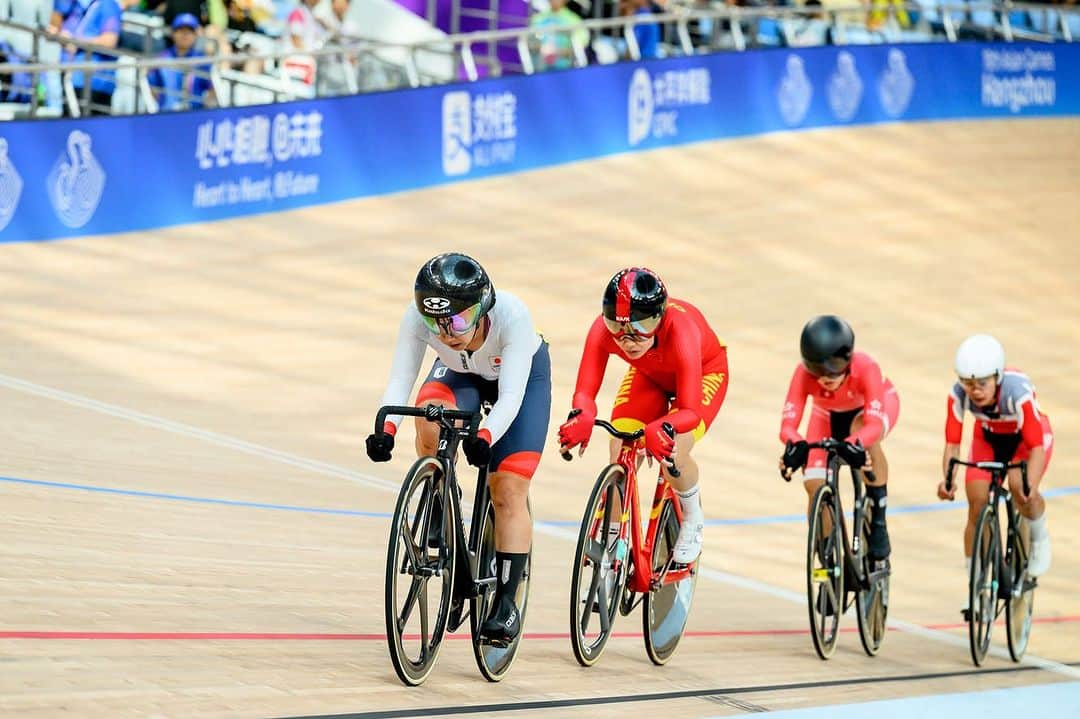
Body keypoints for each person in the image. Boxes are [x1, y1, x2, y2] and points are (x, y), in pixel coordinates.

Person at [365, 253, 551, 645]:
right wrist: (386, 428)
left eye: (460, 321)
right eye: (437, 323)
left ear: (483, 308)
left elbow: (512, 397)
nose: (448, 333)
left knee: (508, 489)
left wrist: (485, 436)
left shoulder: (513, 317)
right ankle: (439, 495)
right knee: (429, 416)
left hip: (520, 382)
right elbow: (401, 379)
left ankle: (505, 602)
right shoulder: (417, 319)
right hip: (461, 374)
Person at [558, 267, 729, 565]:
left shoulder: (681, 329)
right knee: (620, 451)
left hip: (703, 373)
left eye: (641, 328)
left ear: (660, 317)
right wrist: (581, 416)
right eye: (618, 329)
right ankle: (611, 552)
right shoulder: (602, 330)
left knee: (674, 450)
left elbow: (688, 410)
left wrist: (663, 426)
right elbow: (584, 393)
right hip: (650, 375)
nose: (628, 340)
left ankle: (692, 516)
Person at [779, 316, 900, 566]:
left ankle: (878, 520)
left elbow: (874, 424)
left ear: (847, 359)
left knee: (864, 435)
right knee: (814, 484)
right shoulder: (802, 374)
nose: (824, 376)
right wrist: (795, 444)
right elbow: (788, 426)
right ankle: (828, 562)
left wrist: (854, 442)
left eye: (832, 367)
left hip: (870, 411)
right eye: (816, 369)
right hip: (826, 415)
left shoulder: (866, 368)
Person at [937, 334, 1053, 582]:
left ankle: (1039, 535)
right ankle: (975, 583)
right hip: (988, 439)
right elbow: (953, 444)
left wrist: (1029, 486)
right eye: (968, 383)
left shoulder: (1016, 393)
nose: (975, 390)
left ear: (997, 377)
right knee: (977, 501)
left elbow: (1036, 447)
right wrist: (948, 480)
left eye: (982, 383)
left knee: (1019, 487)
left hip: (1026, 441)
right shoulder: (958, 394)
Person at [147, 13, 215, 110]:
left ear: (195, 35)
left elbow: (212, 88)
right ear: (173, 33)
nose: (185, 35)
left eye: (189, 31)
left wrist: (204, 109)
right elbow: (151, 85)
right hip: (166, 115)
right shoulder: (161, 58)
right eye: (181, 30)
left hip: (195, 115)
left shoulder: (202, 60)